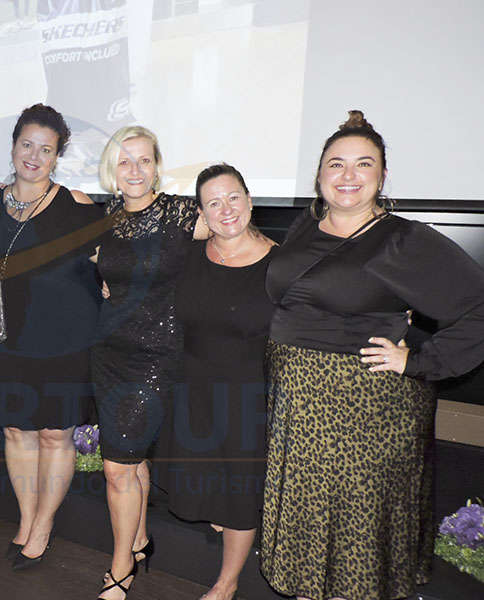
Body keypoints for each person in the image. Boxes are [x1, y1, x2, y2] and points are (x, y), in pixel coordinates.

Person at [261, 111, 484, 600]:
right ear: (319, 175)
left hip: (368, 410)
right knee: (310, 529)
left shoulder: (402, 240)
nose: (348, 176)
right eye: (335, 164)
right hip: (299, 408)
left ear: (382, 176)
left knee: (354, 543)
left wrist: (419, 361)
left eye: (364, 164)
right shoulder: (307, 224)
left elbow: (478, 308)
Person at [0, 103, 105, 570]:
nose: (34, 155)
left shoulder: (77, 204)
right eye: (27, 144)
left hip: (66, 340)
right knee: (16, 432)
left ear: (56, 156)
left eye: (45, 149)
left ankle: (43, 525)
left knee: (54, 436)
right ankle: (26, 520)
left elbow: (115, 259)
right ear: (12, 146)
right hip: (6, 338)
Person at [91, 125, 205, 599]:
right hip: (109, 353)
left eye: (143, 160)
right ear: (112, 171)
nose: (134, 170)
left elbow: (242, 237)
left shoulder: (183, 213)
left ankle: (122, 566)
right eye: (124, 161)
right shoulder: (108, 216)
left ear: (157, 166)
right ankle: (137, 540)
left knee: (117, 465)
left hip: (158, 355)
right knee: (129, 461)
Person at [153, 164, 276, 600]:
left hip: (249, 392)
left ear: (250, 199)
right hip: (192, 385)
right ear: (202, 213)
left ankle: (226, 584)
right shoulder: (189, 256)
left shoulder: (281, 264)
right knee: (209, 479)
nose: (227, 210)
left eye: (234, 197)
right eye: (214, 202)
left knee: (239, 491)